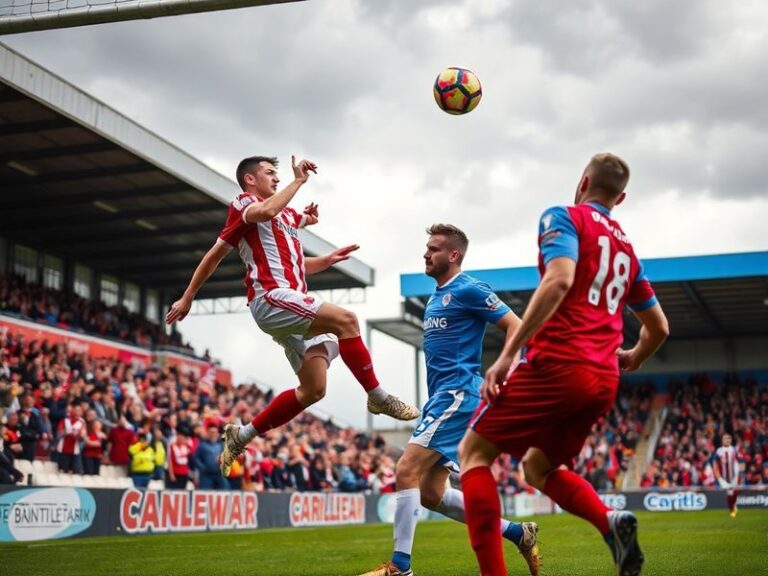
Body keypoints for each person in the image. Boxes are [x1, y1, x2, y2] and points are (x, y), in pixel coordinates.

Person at [459, 153, 669, 576]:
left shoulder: (564, 216)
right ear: (620, 197)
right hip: (603, 379)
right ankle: (609, 522)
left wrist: (507, 354)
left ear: (583, 180)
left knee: (473, 455)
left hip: (558, 362)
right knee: (539, 467)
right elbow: (659, 327)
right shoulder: (627, 251)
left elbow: (559, 280)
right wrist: (633, 357)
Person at [165, 155, 419, 477]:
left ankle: (241, 434)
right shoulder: (244, 204)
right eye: (270, 173)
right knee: (347, 321)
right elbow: (216, 253)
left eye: (278, 174)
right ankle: (378, 396)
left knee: (314, 390)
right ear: (250, 180)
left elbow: (294, 261)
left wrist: (325, 258)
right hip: (271, 299)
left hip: (291, 302)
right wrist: (188, 297)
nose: (276, 178)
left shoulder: (285, 216)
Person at [360, 224, 539, 576]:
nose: (426, 254)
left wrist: (509, 368)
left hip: (458, 394)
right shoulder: (435, 296)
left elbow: (517, 325)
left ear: (453, 255)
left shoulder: (469, 289)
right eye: (426, 247)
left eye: (434, 248)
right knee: (429, 493)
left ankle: (400, 568)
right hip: (440, 399)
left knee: (405, 469)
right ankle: (518, 533)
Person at [713, 434, 741, 518]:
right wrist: (719, 478)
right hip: (724, 478)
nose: (727, 440)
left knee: (736, 492)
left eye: (729, 438)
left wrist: (739, 471)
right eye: (725, 438)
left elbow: (739, 460)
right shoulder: (718, 451)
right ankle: (731, 510)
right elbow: (714, 465)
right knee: (729, 494)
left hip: (734, 476)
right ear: (722, 440)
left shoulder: (734, 449)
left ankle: (733, 505)